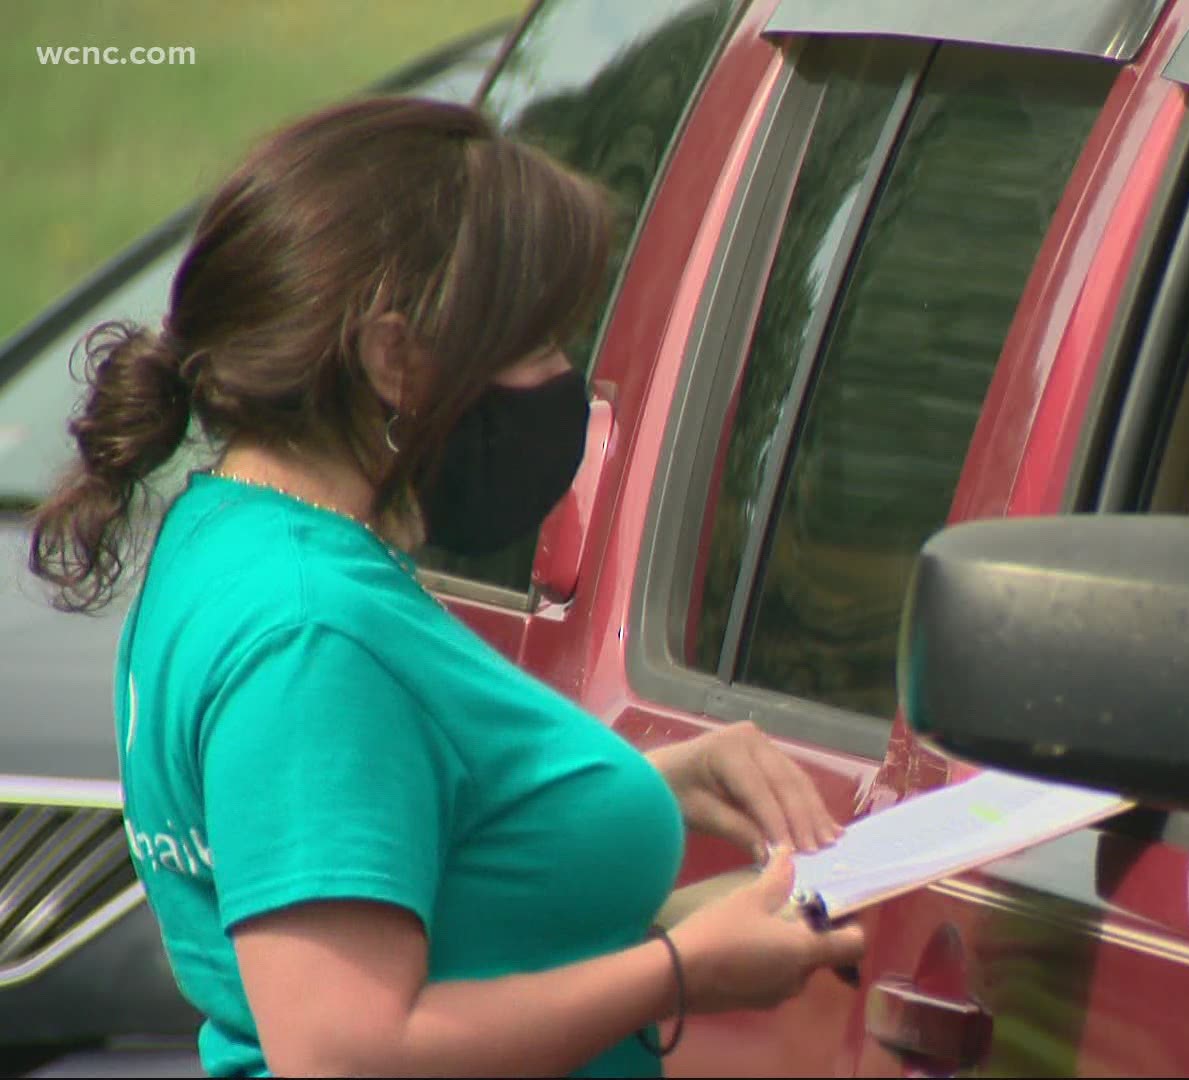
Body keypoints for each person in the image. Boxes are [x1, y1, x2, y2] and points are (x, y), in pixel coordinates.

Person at [26, 96, 863, 1078]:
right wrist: (676, 972)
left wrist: (608, 795)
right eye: (537, 341)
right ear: (395, 358)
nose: (565, 378)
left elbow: (396, 841)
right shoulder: (310, 630)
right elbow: (347, 1051)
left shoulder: (230, 534)